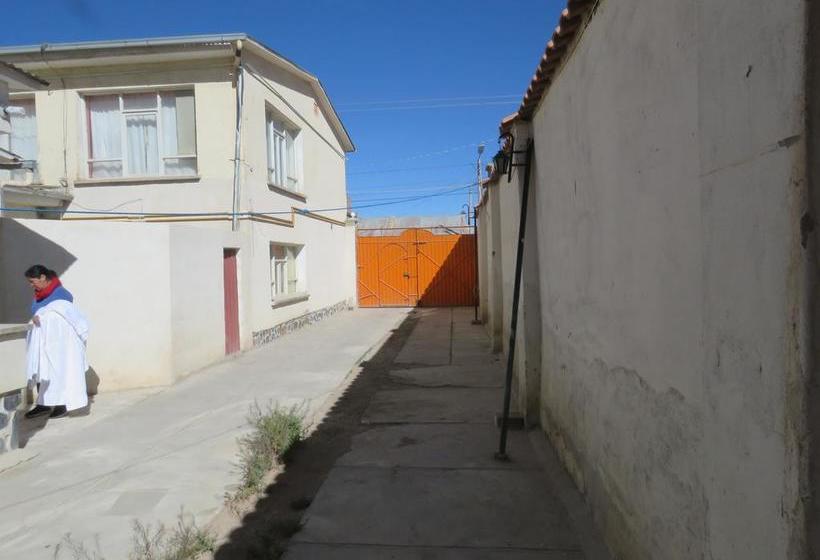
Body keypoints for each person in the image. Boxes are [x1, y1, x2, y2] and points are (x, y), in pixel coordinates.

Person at [23, 265, 89, 419]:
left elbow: (64, 312)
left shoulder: (61, 294)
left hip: (58, 341)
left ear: (43, 277)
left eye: (32, 281)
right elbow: (37, 311)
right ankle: (43, 404)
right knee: (42, 369)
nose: (31, 285)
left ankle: (61, 405)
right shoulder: (39, 294)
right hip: (42, 338)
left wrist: (43, 317)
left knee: (58, 369)